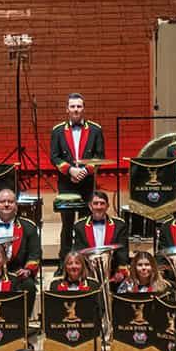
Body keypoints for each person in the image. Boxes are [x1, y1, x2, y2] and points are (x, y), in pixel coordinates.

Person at [49, 93, 105, 249]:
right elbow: (54, 157)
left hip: (87, 183)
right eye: (72, 106)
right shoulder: (58, 131)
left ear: (84, 109)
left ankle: (84, 261)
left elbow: (99, 156)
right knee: (67, 225)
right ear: (67, 109)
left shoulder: (95, 130)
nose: (76, 109)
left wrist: (85, 171)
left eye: (79, 106)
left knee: (85, 224)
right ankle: (64, 261)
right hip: (66, 184)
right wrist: (70, 171)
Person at [116, 251, 169, 351]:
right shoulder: (126, 286)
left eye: (147, 265)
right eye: (140, 265)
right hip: (133, 331)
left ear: (153, 267)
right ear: (134, 267)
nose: (143, 268)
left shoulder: (164, 286)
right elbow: (120, 310)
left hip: (156, 333)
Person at [48, 252, 96, 351]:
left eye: (77, 263)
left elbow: (99, 309)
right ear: (65, 266)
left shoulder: (93, 284)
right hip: (62, 330)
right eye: (70, 263)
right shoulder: (55, 285)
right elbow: (52, 310)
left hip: (85, 331)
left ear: (82, 265)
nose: (73, 266)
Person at [66, 191, 128, 285]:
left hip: (112, 272)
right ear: (90, 206)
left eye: (102, 203)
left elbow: (122, 251)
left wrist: (120, 271)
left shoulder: (119, 225)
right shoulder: (79, 226)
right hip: (87, 272)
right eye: (95, 204)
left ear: (108, 206)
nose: (99, 207)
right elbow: (78, 250)